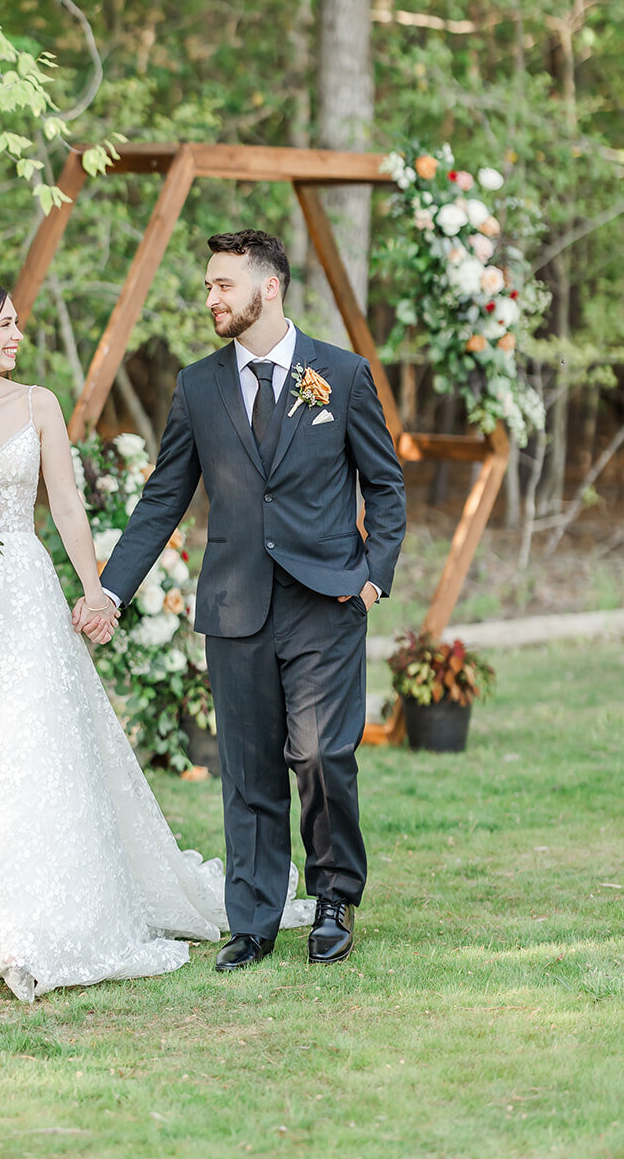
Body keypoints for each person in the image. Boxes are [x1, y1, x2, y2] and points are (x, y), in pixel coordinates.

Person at [0, 278, 308, 1003]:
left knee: (27, 744)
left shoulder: (37, 406)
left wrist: (97, 591)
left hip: (17, 592)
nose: (17, 336)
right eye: (5, 326)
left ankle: (27, 911)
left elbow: (66, 507)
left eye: (17, 324)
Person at [79, 231, 407, 969]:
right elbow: (164, 497)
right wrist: (111, 590)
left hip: (326, 598)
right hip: (234, 605)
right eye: (207, 286)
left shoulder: (342, 374)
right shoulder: (197, 385)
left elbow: (384, 486)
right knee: (248, 768)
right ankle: (252, 920)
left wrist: (373, 573)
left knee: (322, 754)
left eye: (222, 285)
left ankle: (332, 897)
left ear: (269, 287)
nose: (210, 299)